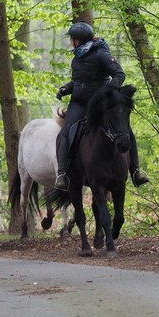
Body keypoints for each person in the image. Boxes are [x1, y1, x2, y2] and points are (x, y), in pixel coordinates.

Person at [54, 22, 149, 191]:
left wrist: (107, 91)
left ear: (80, 40)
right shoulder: (78, 57)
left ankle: (136, 170)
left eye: (72, 38)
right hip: (79, 102)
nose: (70, 41)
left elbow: (119, 74)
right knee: (67, 131)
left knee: (125, 129)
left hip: (100, 105)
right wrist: (65, 89)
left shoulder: (101, 54)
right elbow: (78, 81)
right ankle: (62, 174)